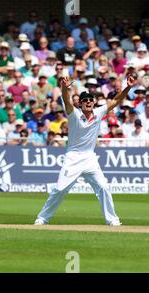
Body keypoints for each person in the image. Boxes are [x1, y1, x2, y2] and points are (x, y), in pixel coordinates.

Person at [34, 75, 136, 226]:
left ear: (93, 103)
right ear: (80, 104)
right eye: (85, 101)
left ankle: (113, 220)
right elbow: (67, 101)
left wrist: (127, 87)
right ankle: (42, 218)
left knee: (103, 187)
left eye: (90, 100)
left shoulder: (99, 112)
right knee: (60, 189)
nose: (88, 102)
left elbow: (116, 100)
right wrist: (65, 88)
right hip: (73, 157)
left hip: (90, 158)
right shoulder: (73, 114)